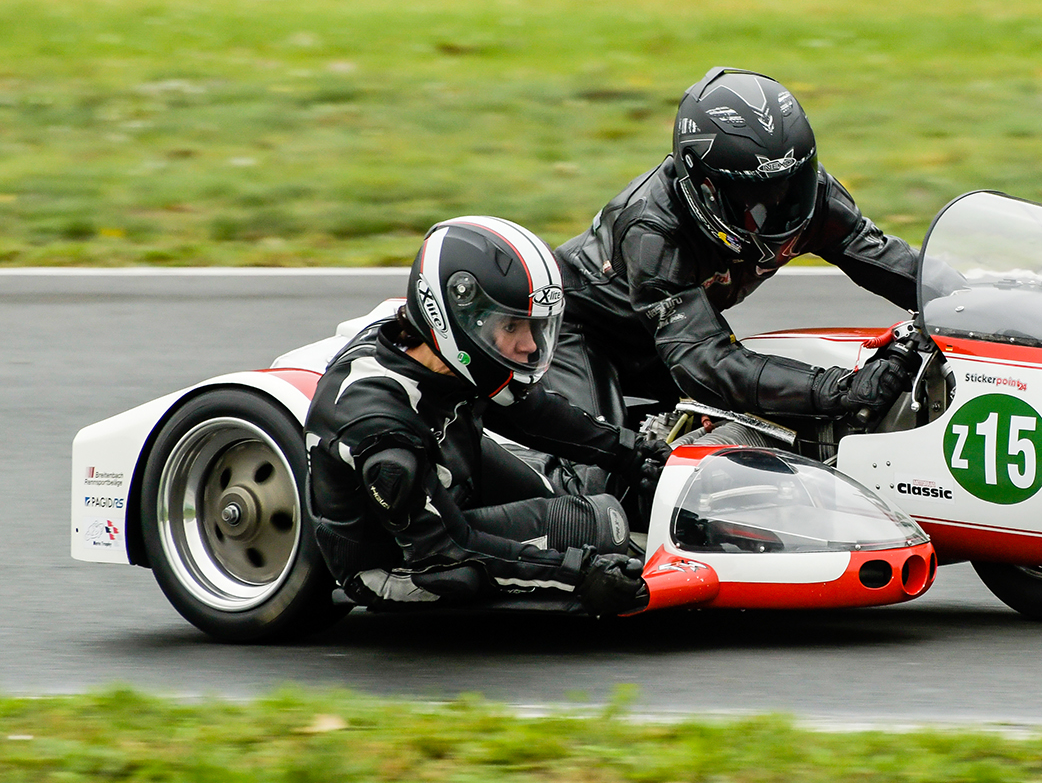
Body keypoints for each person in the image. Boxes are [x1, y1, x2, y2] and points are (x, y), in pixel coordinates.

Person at [304, 215, 667, 615]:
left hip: (447, 475)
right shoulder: (381, 432)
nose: (530, 344)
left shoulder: (444, 351)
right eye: (513, 326)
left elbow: (529, 412)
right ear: (456, 316)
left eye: (534, 326)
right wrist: (580, 575)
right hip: (397, 559)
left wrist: (631, 452)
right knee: (596, 531)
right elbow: (445, 546)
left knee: (573, 498)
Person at [547, 66, 921, 432]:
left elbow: (888, 260)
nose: (779, 208)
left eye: (791, 185)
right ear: (702, 188)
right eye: (753, 198)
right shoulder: (654, 231)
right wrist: (837, 388)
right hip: (580, 333)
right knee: (603, 463)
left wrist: (965, 303)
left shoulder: (814, 200)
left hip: (670, 340)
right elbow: (701, 358)